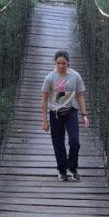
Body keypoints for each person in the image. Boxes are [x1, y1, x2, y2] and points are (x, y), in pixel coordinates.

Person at [41, 50, 89, 181]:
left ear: (68, 62)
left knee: (75, 142)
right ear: (55, 63)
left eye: (64, 63)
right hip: (55, 114)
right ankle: (62, 170)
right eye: (58, 63)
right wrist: (44, 120)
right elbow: (44, 99)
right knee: (58, 144)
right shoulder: (50, 78)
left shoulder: (75, 76)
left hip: (70, 112)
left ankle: (72, 167)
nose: (61, 66)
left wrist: (84, 115)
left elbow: (80, 96)